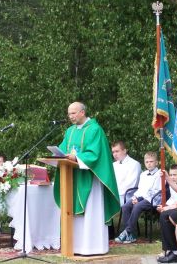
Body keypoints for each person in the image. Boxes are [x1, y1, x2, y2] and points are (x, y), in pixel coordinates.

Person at [53, 102, 120, 255]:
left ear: (82, 112)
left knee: (91, 211)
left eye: (73, 113)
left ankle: (93, 247)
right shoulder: (69, 131)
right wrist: (59, 154)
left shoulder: (95, 129)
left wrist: (77, 158)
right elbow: (63, 150)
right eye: (69, 114)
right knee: (72, 210)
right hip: (73, 177)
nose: (70, 117)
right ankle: (74, 246)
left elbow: (95, 154)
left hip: (90, 177)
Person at [115, 151, 161, 244]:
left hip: (152, 200)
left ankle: (127, 231)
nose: (149, 164)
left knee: (137, 206)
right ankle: (132, 235)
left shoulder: (159, 174)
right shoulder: (143, 174)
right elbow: (140, 189)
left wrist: (139, 199)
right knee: (126, 206)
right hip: (141, 198)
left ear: (156, 162)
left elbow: (155, 191)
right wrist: (135, 197)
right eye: (147, 162)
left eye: (151, 161)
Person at [111, 141, 141, 206]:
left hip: (127, 196)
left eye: (117, 151)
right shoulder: (113, 165)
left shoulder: (134, 164)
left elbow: (130, 185)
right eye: (113, 152)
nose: (115, 154)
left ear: (124, 151)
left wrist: (114, 192)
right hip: (114, 194)